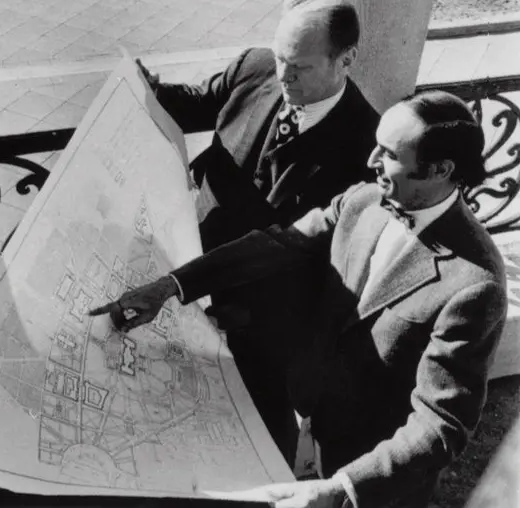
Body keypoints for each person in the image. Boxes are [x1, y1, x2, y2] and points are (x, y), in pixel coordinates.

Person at [91, 92, 507, 508]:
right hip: (310, 423)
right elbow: (277, 245)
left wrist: (343, 489)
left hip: (374, 476)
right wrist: (170, 286)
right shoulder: (364, 200)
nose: (371, 161)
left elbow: (442, 423)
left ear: (441, 170)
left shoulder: (474, 284)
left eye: (390, 154)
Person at [140, 0, 379, 250]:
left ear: (346, 60)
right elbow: (196, 105)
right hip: (189, 242)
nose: (283, 76)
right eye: (280, 58)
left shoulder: (370, 148)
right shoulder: (254, 66)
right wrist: (150, 91)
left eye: (300, 67)